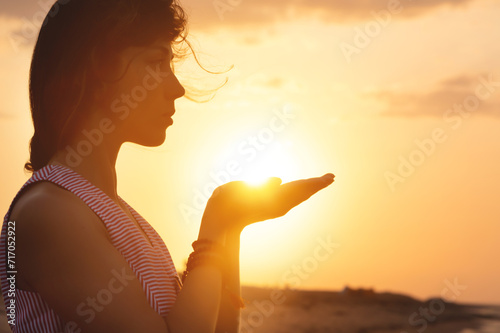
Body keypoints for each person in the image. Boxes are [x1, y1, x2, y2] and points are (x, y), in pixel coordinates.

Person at [0, 0, 336, 332]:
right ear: (99, 65)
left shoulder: (115, 215)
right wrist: (214, 229)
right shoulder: (49, 213)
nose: (176, 88)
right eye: (157, 61)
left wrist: (230, 226)